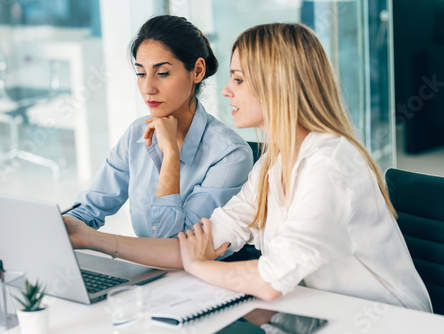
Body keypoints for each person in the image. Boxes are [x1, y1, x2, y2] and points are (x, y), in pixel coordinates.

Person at [64, 23, 432, 312]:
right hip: (322, 312)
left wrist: (200, 266)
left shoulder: (329, 164)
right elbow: (196, 243)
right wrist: (89, 238)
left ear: (278, 85)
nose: (225, 91)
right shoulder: (273, 164)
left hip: (387, 319)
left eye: (238, 79)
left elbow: (270, 278)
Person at [64, 15, 253, 238]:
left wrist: (171, 155)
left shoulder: (230, 154)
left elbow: (176, 243)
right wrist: (52, 227)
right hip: (147, 267)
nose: (148, 88)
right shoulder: (137, 133)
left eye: (162, 73)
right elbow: (89, 209)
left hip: (197, 271)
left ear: (198, 71)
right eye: (141, 73)